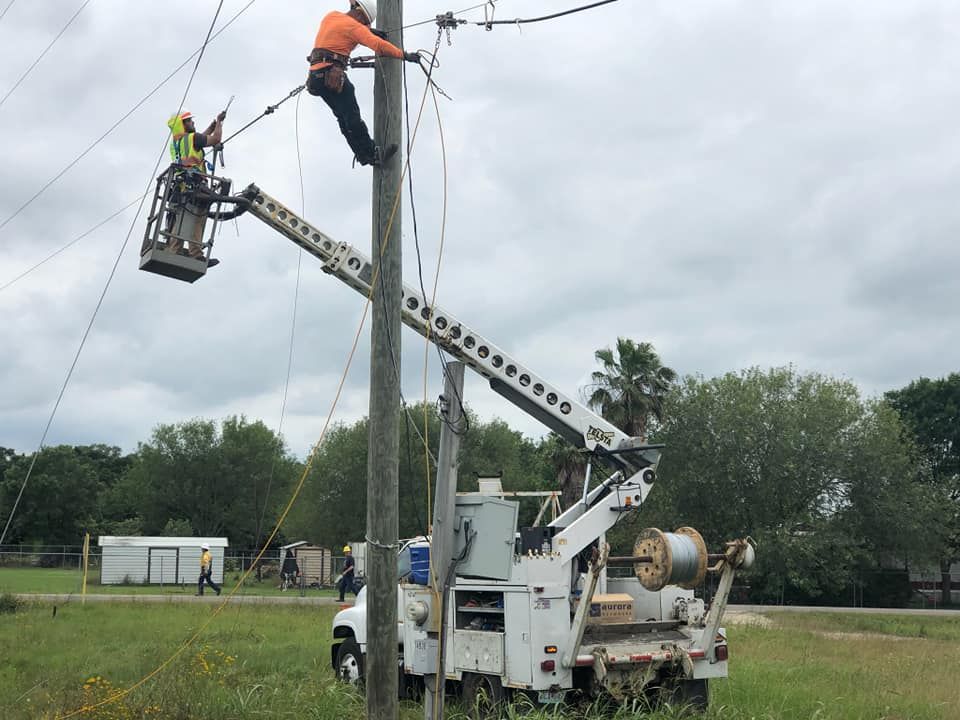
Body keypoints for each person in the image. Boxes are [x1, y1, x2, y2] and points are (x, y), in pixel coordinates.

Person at [306, 0, 420, 167]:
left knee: (343, 117)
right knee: (351, 116)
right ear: (361, 16)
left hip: (316, 78)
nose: (365, 26)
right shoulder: (355, 28)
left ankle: (363, 154)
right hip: (332, 75)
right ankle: (370, 153)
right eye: (366, 22)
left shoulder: (331, 16)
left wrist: (370, 31)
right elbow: (379, 46)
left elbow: (343, 29)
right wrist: (404, 55)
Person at [164, 109, 227, 265]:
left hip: (181, 187)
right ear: (184, 125)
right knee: (197, 219)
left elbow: (199, 140)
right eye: (190, 121)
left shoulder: (178, 142)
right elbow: (215, 139)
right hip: (194, 184)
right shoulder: (192, 138)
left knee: (181, 219)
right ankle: (196, 254)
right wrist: (219, 123)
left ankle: (174, 251)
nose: (193, 123)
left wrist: (212, 126)